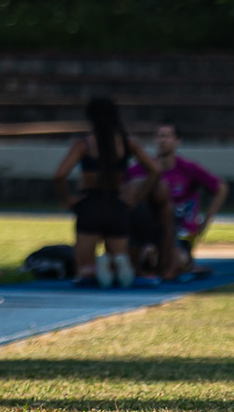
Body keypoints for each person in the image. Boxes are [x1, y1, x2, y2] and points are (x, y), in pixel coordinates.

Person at [53, 95, 160, 288]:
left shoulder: (84, 145)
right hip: (117, 205)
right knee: (119, 255)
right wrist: (138, 197)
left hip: (90, 204)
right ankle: (115, 264)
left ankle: (94, 269)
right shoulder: (128, 143)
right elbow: (155, 170)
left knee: (83, 271)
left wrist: (67, 199)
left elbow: (60, 175)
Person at [126, 122, 228, 277]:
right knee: (146, 255)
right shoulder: (140, 169)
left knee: (176, 261)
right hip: (150, 229)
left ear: (177, 141)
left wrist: (206, 220)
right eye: (159, 136)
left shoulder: (188, 168)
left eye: (167, 136)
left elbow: (220, 187)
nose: (162, 140)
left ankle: (176, 262)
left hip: (179, 232)